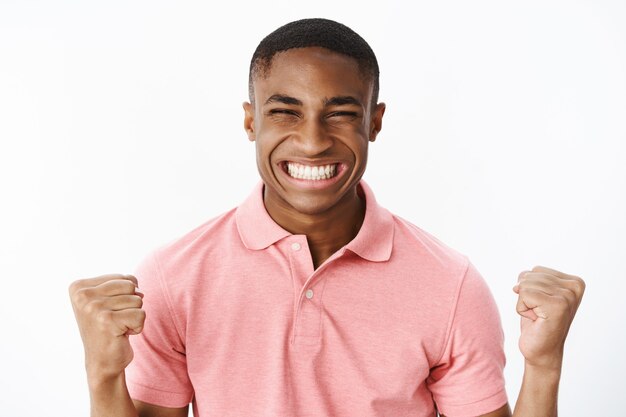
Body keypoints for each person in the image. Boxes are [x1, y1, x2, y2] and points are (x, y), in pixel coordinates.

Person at [69, 18, 585, 417]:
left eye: (339, 113)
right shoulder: (174, 276)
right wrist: (103, 376)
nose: (313, 141)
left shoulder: (451, 285)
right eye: (285, 111)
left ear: (374, 122)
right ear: (251, 121)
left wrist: (543, 365)